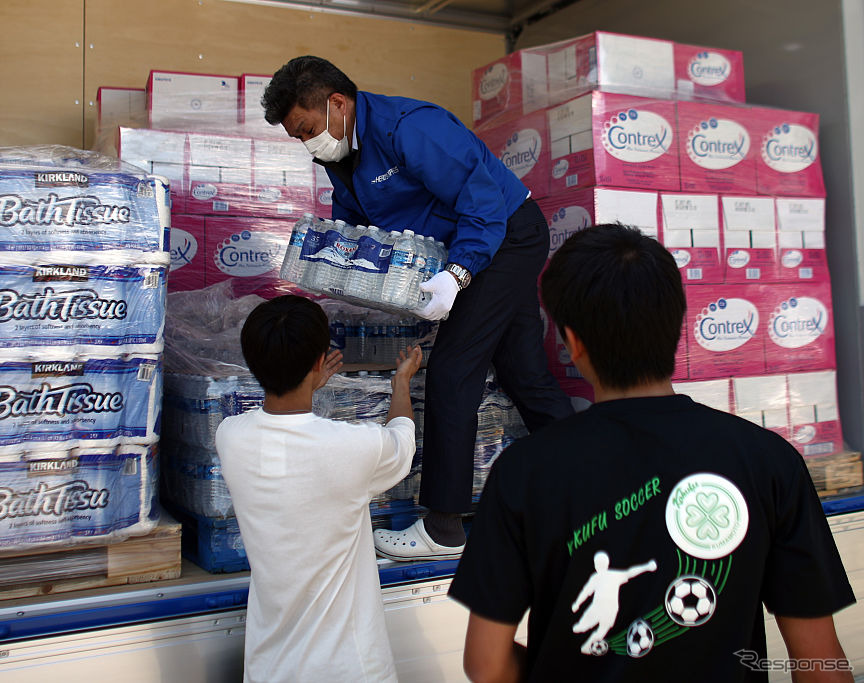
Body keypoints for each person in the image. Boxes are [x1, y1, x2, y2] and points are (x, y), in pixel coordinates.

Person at [448, 224, 855, 682]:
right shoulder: (769, 460)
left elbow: (485, 665)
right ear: (677, 325)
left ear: (572, 341)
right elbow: (820, 663)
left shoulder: (523, 471)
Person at [262, 56, 573, 560]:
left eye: (306, 129)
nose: (307, 143)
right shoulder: (341, 154)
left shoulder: (411, 129)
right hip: (473, 245)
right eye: (297, 138)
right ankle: (594, 481)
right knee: (524, 374)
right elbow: (360, 226)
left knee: (452, 370)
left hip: (504, 235)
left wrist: (459, 273)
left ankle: (445, 528)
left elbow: (484, 203)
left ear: (337, 102)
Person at [215, 295, 422, 682]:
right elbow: (402, 440)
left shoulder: (230, 437)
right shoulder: (354, 447)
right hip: (351, 669)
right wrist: (401, 384)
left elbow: (287, 443)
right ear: (317, 362)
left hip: (270, 668)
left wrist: (307, 383)